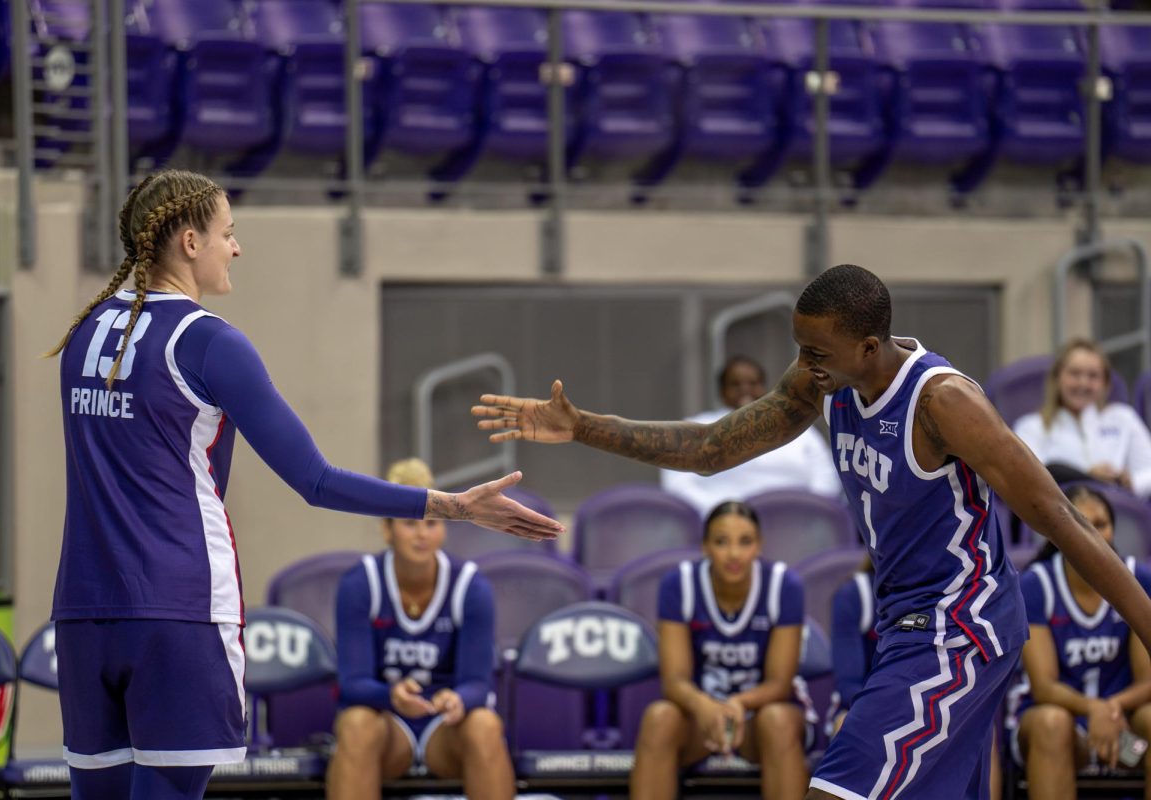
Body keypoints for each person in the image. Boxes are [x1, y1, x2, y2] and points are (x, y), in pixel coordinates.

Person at [472, 263, 1151, 800]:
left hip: (959, 627)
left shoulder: (943, 402)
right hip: (906, 624)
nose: (803, 363)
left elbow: (1057, 517)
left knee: (835, 790)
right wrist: (581, 426)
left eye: (815, 350)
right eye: (800, 347)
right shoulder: (824, 380)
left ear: (866, 345)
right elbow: (710, 450)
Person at [45, 170, 560, 800]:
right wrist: (452, 505)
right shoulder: (209, 343)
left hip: (80, 610)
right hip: (177, 610)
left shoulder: (83, 336)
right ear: (188, 241)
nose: (236, 248)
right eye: (227, 234)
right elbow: (315, 480)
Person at [328, 458, 512, 800]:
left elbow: (478, 682)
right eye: (409, 523)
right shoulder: (360, 584)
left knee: (485, 725)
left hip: (445, 727)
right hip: (388, 725)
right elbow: (352, 685)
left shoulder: (469, 586)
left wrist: (459, 699)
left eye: (432, 523)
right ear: (387, 529)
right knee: (355, 724)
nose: (422, 533)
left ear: (444, 529)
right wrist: (391, 695)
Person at [631, 500, 812, 800]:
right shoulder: (680, 583)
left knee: (777, 720)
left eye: (745, 542)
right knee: (659, 716)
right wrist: (706, 707)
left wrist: (737, 704)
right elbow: (674, 681)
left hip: (759, 721)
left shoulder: (784, 585)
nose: (733, 554)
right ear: (704, 546)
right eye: (721, 542)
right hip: (700, 719)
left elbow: (779, 685)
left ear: (759, 546)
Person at [1007, 484, 1151, 800]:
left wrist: (1110, 710)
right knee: (1051, 724)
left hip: (1122, 740)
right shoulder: (1037, 585)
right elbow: (1044, 687)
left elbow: (1148, 681)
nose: (1094, 535)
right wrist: (1092, 710)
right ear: (1059, 533)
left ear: (1114, 529)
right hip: (1070, 740)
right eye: (1081, 525)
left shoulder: (1139, 580)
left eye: (1101, 524)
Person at [828, 559, 1005, 800]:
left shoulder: (961, 597)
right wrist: (910, 709)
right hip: (880, 707)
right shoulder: (854, 595)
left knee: (982, 728)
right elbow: (848, 685)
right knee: (845, 724)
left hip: (938, 703)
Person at [660, 356, 841, 515]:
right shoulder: (698, 426)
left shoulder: (800, 428)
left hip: (792, 524)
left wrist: (805, 511)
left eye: (753, 383)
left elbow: (826, 478)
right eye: (735, 384)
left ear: (767, 388)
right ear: (722, 391)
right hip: (718, 524)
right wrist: (720, 512)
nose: (745, 390)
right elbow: (677, 481)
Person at [1013, 339, 1151, 498]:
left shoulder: (1123, 418)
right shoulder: (1031, 427)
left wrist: (1131, 482)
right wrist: (1089, 478)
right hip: (1061, 515)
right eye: (1074, 373)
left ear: (1105, 383)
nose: (1083, 383)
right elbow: (1030, 479)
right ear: (1058, 378)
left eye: (1093, 376)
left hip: (1121, 512)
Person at [828, 555, 876, 737]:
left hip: (929, 704)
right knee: (849, 724)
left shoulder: (948, 593)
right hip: (869, 706)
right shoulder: (854, 595)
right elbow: (848, 686)